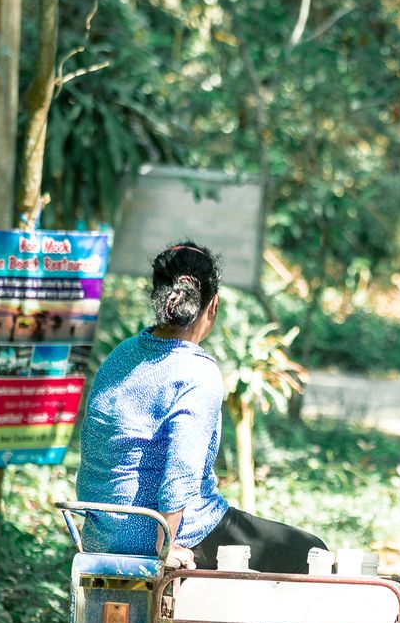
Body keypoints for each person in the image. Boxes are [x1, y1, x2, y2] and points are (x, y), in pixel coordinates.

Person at [76, 240, 325, 572]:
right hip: (172, 533)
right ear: (213, 306)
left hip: (100, 535)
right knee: (310, 551)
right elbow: (181, 474)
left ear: (157, 299)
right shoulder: (198, 371)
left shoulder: (121, 355)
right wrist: (165, 551)